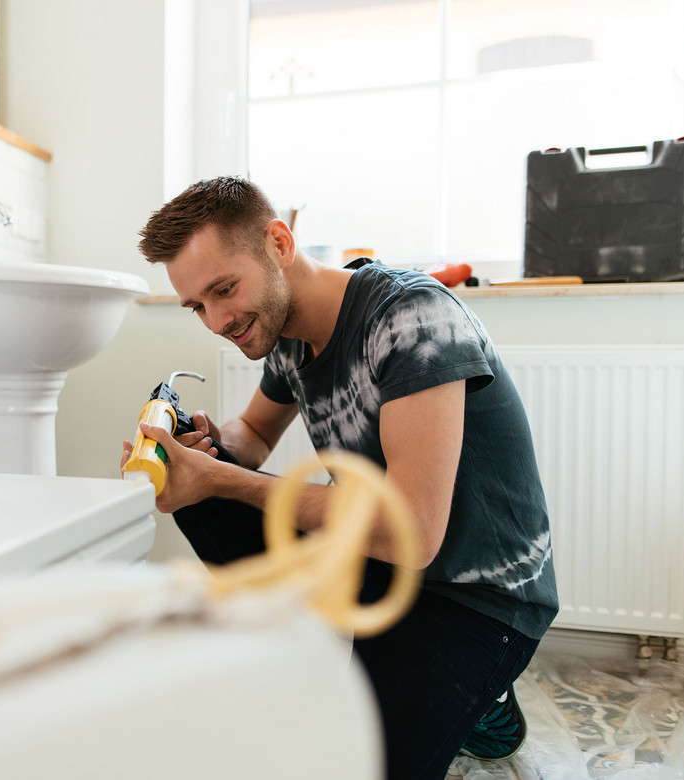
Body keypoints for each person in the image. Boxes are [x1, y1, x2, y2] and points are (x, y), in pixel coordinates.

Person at [123, 176, 558, 779]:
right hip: (381, 565)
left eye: (224, 289)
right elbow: (250, 436)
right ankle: (309, 658)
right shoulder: (282, 331)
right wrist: (198, 449)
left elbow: (412, 531)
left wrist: (220, 477)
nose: (217, 319)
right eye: (197, 306)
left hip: (474, 595)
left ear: (278, 243)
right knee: (200, 488)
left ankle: (484, 696)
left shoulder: (410, 317)